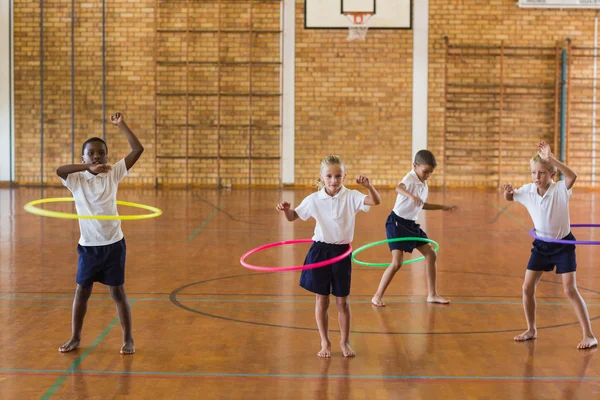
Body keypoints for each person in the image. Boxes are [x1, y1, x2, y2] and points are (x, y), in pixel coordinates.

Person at [56, 112, 144, 354]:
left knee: (117, 291)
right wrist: (88, 167)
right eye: (91, 153)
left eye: (101, 153)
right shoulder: (76, 179)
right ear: (83, 157)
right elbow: (58, 169)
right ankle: (75, 337)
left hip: (114, 243)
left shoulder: (113, 173)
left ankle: (128, 339)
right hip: (89, 246)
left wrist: (121, 124)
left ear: (107, 156)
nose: (96, 156)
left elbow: (138, 150)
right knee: (82, 290)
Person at [276, 155, 381, 358]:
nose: (334, 180)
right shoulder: (314, 199)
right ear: (322, 177)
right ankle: (325, 342)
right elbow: (292, 217)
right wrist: (286, 210)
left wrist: (369, 186)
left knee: (343, 302)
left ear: (344, 176)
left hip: (341, 253)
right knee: (322, 300)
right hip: (320, 252)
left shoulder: (351, 196)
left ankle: (345, 342)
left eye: (338, 176)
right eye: (330, 176)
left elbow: (375, 201)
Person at [503, 141, 597, 349]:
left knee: (570, 290)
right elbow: (510, 198)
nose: (537, 177)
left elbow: (573, 176)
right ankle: (531, 329)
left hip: (563, 245)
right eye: (534, 173)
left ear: (552, 174)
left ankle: (589, 335)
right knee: (527, 288)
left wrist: (551, 159)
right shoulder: (528, 191)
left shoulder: (560, 190)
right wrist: (507, 193)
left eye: (542, 173)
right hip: (542, 245)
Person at [371, 150, 456, 308]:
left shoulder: (424, 184)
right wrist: (411, 196)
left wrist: (443, 207)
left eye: (430, 173)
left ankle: (432, 294)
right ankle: (377, 296)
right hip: (396, 223)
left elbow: (422, 205)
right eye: (425, 171)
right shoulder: (410, 178)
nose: (427, 175)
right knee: (397, 263)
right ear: (415, 166)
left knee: (430, 254)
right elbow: (398, 188)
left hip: (411, 224)